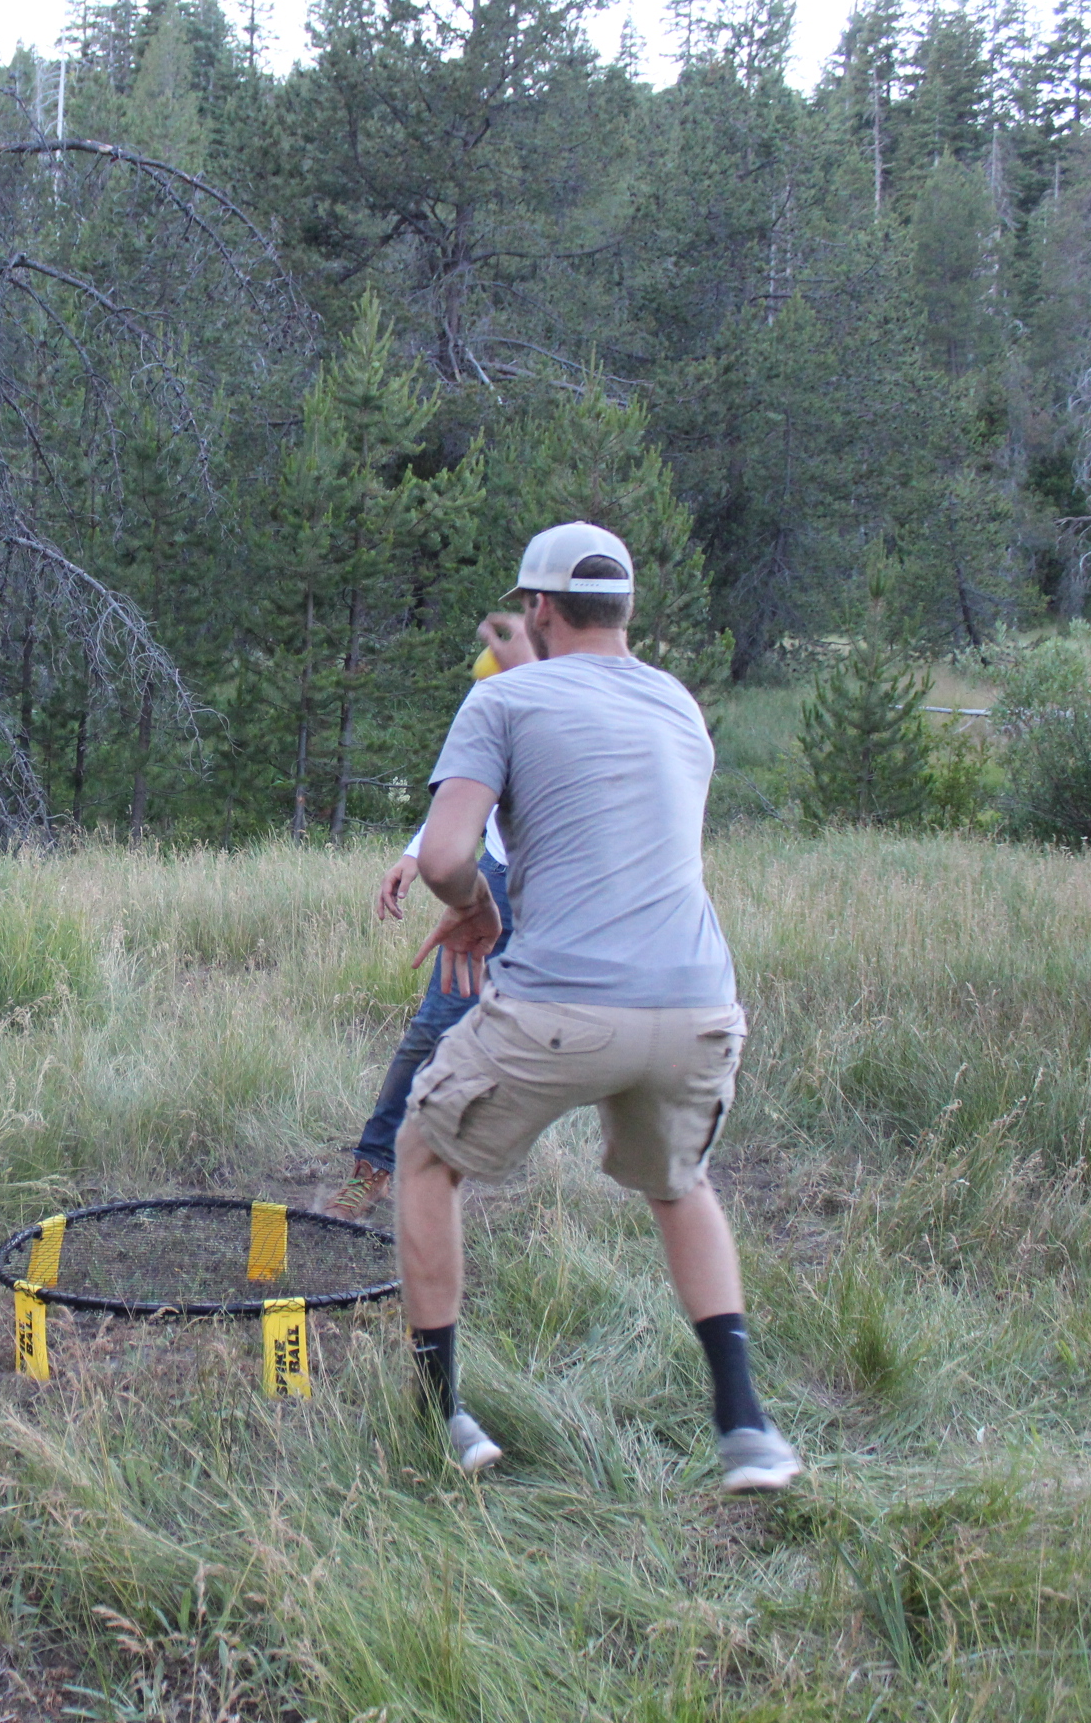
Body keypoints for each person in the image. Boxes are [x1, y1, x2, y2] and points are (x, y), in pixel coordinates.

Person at [393, 521, 801, 1493]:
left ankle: (441, 1416)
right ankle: (746, 1426)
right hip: (697, 1006)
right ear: (625, 608)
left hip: (560, 1006)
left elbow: (445, 856)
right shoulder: (678, 704)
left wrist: (476, 908)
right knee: (681, 1184)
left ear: (539, 607)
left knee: (424, 1154)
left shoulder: (505, 699)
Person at [328, 613, 533, 1223]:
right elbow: (466, 789)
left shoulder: (609, 686)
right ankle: (373, 1168)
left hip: (579, 895)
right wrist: (418, 853)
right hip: (499, 884)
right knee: (436, 1026)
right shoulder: (496, 688)